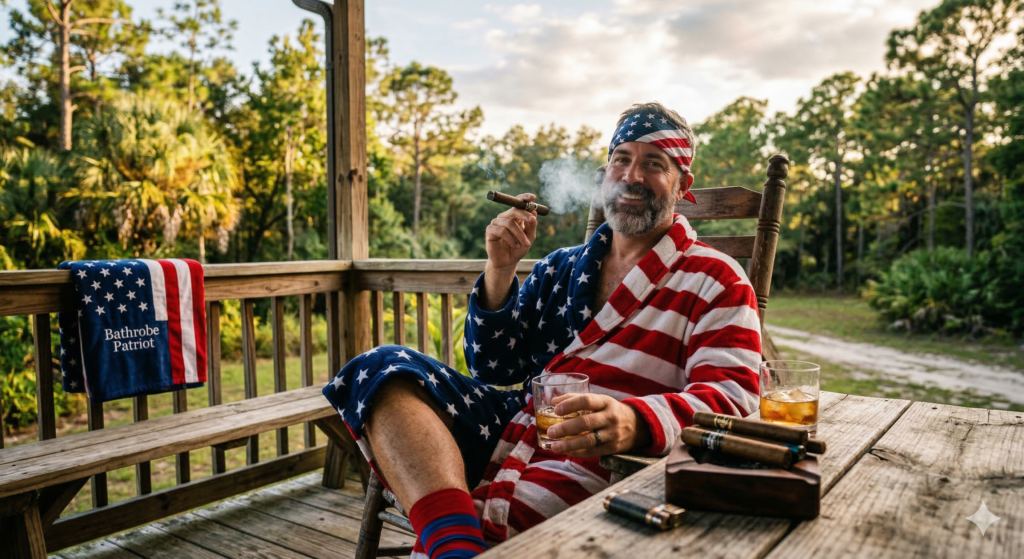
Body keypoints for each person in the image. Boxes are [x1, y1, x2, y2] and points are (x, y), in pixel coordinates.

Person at [322, 101, 762, 559]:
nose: (632, 176)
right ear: (604, 176)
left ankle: (453, 540)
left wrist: (635, 421)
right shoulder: (560, 267)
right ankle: (456, 547)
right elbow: (492, 367)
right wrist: (500, 269)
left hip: (606, 459)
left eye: (654, 164)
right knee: (382, 370)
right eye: (621, 159)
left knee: (518, 520)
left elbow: (733, 398)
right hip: (516, 426)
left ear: (683, 186)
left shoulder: (716, 279)